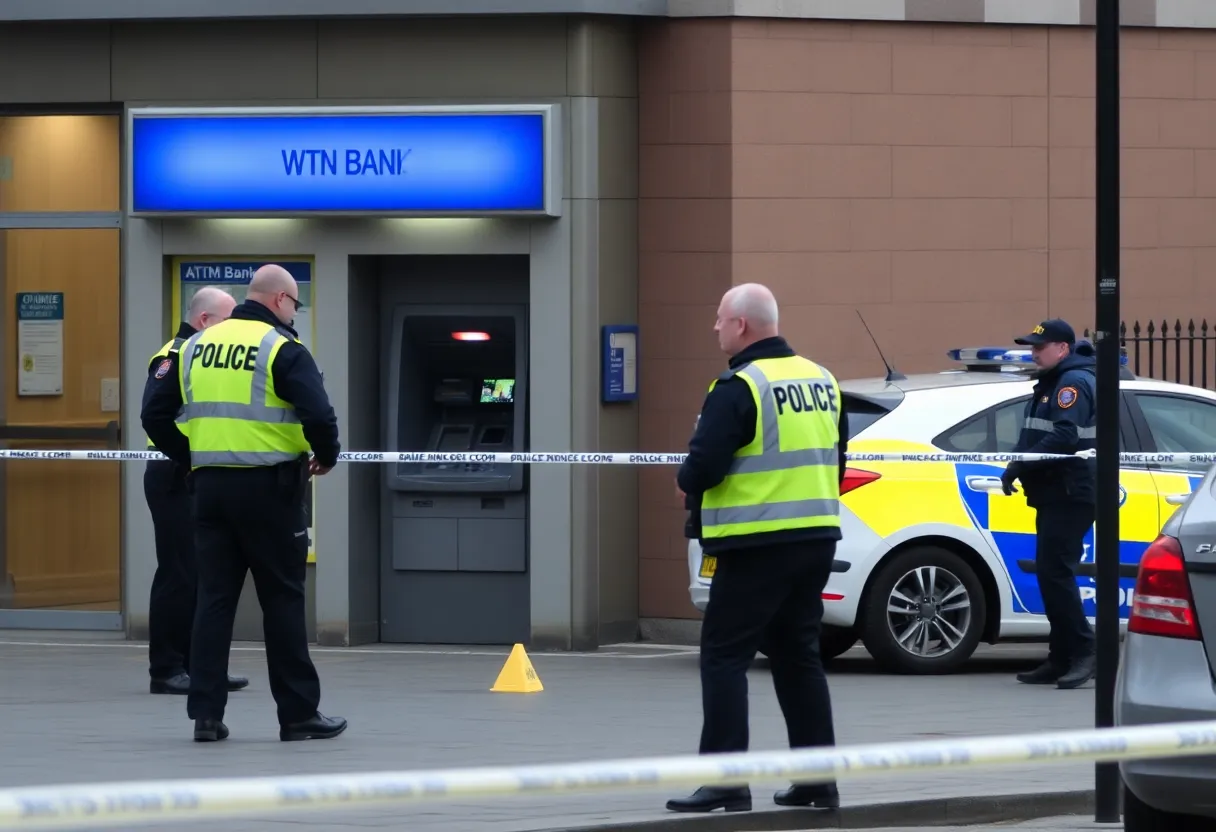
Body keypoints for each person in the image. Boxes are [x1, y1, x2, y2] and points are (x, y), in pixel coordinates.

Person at [141, 264, 346, 743]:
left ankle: (206, 715)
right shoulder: (280, 347)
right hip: (270, 490)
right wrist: (327, 456)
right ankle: (297, 715)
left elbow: (154, 413)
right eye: (295, 304)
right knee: (282, 600)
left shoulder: (194, 346)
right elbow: (319, 412)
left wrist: (190, 457)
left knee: (213, 599)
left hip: (210, 490)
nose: (294, 313)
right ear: (279, 300)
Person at [666, 283, 848, 814]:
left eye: (720, 319)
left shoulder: (740, 385)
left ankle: (725, 782)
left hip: (755, 543)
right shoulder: (822, 379)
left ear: (741, 325)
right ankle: (818, 783)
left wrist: (686, 480)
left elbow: (704, 465)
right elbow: (835, 458)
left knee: (723, 657)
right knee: (798, 658)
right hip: (813, 539)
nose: (715, 327)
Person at [143, 286, 250, 697]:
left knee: (206, 574)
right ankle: (167, 669)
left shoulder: (204, 355)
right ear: (205, 320)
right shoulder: (174, 354)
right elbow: (154, 416)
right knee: (179, 572)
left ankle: (200, 668)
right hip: (174, 473)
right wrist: (188, 456)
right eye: (228, 321)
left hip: (196, 474)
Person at [1002, 318, 1098, 690]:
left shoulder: (1072, 384)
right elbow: (1033, 436)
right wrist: (1015, 464)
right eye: (1032, 347)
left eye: (1040, 347)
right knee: (1050, 572)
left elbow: (1065, 434)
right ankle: (1060, 657)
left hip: (1072, 490)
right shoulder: (1051, 383)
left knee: (1056, 572)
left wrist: (1023, 462)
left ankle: (1085, 651)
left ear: (1063, 348)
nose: (1033, 353)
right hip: (1056, 491)